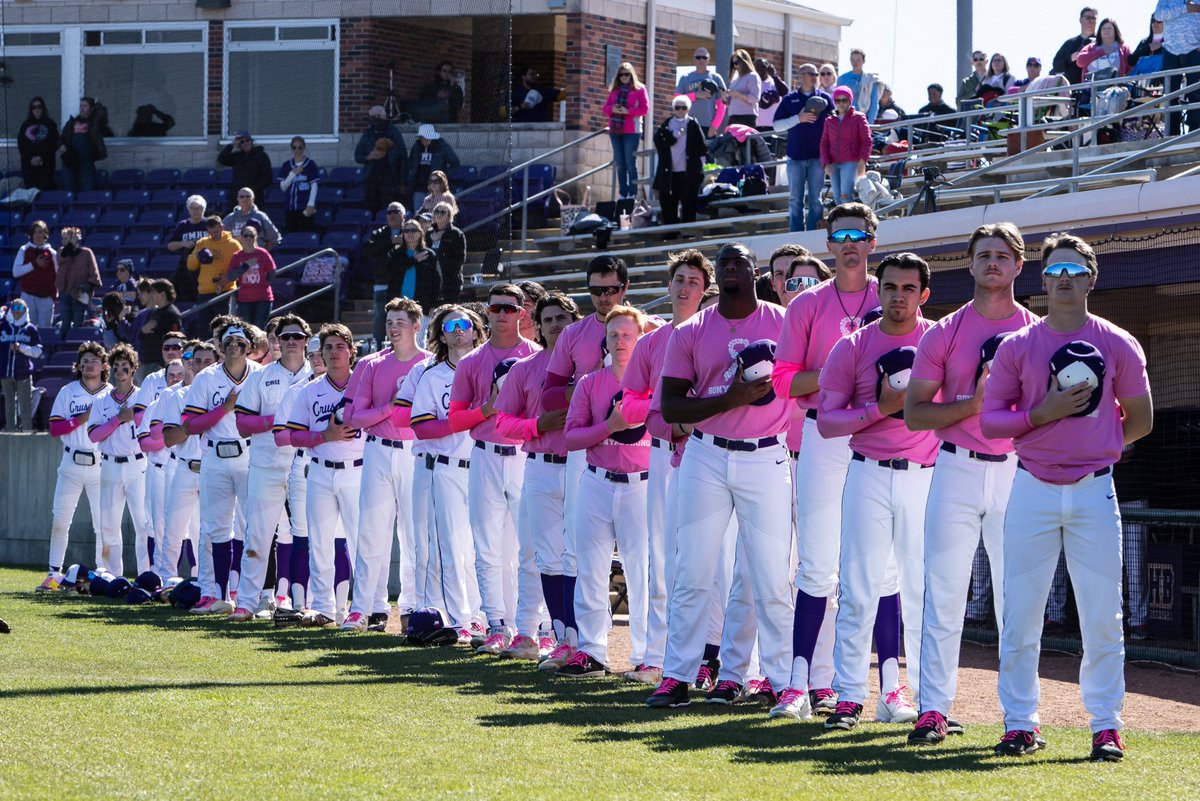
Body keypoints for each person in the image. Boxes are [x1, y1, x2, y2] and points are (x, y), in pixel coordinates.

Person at [981, 233, 1153, 762]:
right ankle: (1019, 724)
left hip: (1094, 490)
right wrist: (1044, 414)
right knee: (1021, 616)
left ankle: (1106, 726)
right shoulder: (1016, 346)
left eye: (1074, 271)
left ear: (1090, 279)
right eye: (1055, 270)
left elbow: (1142, 420)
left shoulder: (1118, 342)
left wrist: (1097, 445)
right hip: (1030, 488)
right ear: (1042, 279)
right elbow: (992, 423)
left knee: (1102, 617)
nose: (1063, 279)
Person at [902, 222, 1038, 746]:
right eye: (984, 255)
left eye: (1003, 255)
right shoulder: (943, 331)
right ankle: (933, 710)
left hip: (1017, 471)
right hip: (955, 467)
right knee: (943, 594)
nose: (993, 263)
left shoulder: (1038, 332)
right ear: (970, 263)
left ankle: (1021, 720)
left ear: (1019, 264)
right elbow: (915, 414)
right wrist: (975, 405)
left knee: (1017, 600)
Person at [644, 242, 793, 709]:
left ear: (755, 271)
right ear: (716, 276)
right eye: (724, 263)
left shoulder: (784, 322)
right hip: (705, 455)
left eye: (739, 262)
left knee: (770, 576)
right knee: (693, 571)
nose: (731, 268)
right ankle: (677, 675)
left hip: (766, 454)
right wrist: (731, 398)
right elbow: (671, 407)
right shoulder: (691, 329)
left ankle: (779, 680)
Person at [770, 203, 883, 721]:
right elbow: (784, 381)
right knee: (816, 565)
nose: (850, 244)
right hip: (822, 432)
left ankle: (878, 688)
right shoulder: (807, 304)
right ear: (829, 244)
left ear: (873, 241)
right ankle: (802, 684)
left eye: (859, 235)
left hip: (883, 435)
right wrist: (842, 369)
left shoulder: (892, 291)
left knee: (880, 570)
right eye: (841, 236)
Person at [815, 253, 937, 732]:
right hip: (867, 473)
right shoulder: (852, 345)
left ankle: (930, 701)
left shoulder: (939, 340)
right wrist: (880, 408)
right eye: (890, 287)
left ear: (923, 294)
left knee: (924, 593)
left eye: (908, 288)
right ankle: (849, 696)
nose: (898, 296)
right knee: (859, 590)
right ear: (878, 290)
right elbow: (827, 423)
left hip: (926, 476)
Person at [619, 249, 712, 685]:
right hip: (663, 449)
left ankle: (710, 658)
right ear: (668, 285)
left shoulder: (714, 333)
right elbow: (629, 403)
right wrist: (671, 415)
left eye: (694, 281)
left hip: (714, 452)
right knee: (662, 553)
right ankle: (658, 655)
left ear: (705, 290)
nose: (684, 287)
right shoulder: (651, 342)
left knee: (712, 559)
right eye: (679, 279)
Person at [541, 256, 630, 655]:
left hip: (637, 446)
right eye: (596, 290)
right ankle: (579, 642)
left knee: (643, 554)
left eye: (611, 289)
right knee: (578, 548)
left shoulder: (642, 327)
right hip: (586, 446)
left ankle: (650, 654)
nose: (604, 297)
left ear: (624, 288)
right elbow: (548, 395)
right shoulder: (574, 334)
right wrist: (589, 387)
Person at [557, 304, 651, 678]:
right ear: (605, 341)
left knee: (642, 571)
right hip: (597, 481)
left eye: (628, 334)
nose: (621, 340)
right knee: (590, 569)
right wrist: (610, 426)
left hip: (642, 485)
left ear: (641, 338)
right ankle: (592, 651)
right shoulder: (590, 383)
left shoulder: (655, 381)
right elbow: (571, 437)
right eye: (614, 334)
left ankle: (647, 654)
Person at [448, 285, 541, 654]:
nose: (502, 314)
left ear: (522, 313)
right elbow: (455, 419)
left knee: (530, 547)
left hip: (524, 454)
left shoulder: (537, 356)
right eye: (496, 308)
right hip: (485, 454)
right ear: (486, 312)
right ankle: (496, 624)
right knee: (487, 548)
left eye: (509, 308)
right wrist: (488, 408)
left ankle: (535, 627)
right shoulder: (471, 361)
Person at [494, 292, 581, 662]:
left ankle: (587, 642)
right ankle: (561, 639)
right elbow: (502, 423)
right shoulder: (524, 368)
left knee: (580, 557)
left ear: (575, 322)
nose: (556, 325)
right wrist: (536, 425)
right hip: (541, 466)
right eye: (548, 320)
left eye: (562, 318)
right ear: (538, 327)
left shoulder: (591, 366)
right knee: (545, 557)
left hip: (583, 467)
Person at [341, 298, 429, 632]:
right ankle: (362, 608)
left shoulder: (429, 364)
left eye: (400, 322)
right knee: (371, 531)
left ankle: (412, 607)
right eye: (389, 322)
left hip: (414, 451)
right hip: (377, 449)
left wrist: (387, 410)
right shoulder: (371, 364)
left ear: (416, 326)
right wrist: (391, 407)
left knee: (414, 533)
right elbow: (353, 417)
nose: (393, 328)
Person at [409, 304, 487, 640]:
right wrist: (469, 418)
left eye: (463, 324)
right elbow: (422, 427)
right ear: (441, 336)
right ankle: (460, 620)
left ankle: (488, 617)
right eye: (450, 326)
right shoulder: (433, 375)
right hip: (448, 468)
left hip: (487, 466)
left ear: (475, 330)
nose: (457, 331)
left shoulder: (489, 369)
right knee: (452, 550)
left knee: (488, 549)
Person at [227, 314, 313, 621]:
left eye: (297, 336)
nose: (291, 342)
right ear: (276, 340)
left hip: (305, 466)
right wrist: (278, 421)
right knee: (258, 536)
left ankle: (305, 603)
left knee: (305, 536)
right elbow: (242, 424)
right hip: (266, 465)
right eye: (285, 336)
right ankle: (248, 602)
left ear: (306, 340)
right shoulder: (261, 376)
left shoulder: (317, 376)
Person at [283, 324, 362, 628]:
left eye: (340, 346)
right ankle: (324, 607)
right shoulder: (310, 390)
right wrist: (324, 435)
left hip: (358, 469)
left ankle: (363, 608)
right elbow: (293, 436)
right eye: (328, 347)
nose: (334, 352)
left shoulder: (364, 384)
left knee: (361, 541)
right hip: (319, 469)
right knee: (320, 542)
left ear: (351, 351)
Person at [182, 320, 262, 614]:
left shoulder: (261, 375)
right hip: (215, 455)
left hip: (251, 455)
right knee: (215, 529)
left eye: (240, 342)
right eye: (228, 342)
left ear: (250, 346)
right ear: (220, 346)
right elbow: (190, 425)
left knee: (255, 527)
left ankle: (256, 596)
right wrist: (225, 408)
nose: (234, 346)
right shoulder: (206, 377)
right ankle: (216, 594)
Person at [40, 343, 109, 590]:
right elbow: (55, 428)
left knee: (102, 523)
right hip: (71, 462)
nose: (89, 365)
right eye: (85, 361)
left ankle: (102, 574)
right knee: (61, 520)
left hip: (101, 463)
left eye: (94, 360)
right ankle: (54, 573)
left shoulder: (111, 393)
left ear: (104, 365)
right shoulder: (68, 391)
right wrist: (81, 419)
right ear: (78, 366)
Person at [87, 343, 149, 575]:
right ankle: (113, 576)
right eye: (116, 366)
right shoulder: (102, 400)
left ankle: (146, 576)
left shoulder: (142, 396)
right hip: (110, 464)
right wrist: (118, 419)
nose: (120, 370)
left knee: (143, 524)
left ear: (133, 369)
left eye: (125, 366)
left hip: (138, 463)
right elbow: (93, 435)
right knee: (109, 524)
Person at [158, 340, 216, 582]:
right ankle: (167, 580)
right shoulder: (179, 395)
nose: (201, 365)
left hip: (214, 468)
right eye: (197, 361)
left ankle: (208, 584)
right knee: (173, 529)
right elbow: (169, 438)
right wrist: (195, 423)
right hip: (185, 467)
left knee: (210, 532)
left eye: (208, 361)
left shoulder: (223, 396)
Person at [775, 64, 834, 232]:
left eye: (816, 74)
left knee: (816, 199)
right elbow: (776, 126)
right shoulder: (789, 99)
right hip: (795, 157)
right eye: (811, 74)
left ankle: (814, 234)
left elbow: (835, 122)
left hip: (818, 157)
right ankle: (796, 235)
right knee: (795, 199)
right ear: (800, 76)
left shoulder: (825, 98)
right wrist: (798, 118)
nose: (815, 77)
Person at [652, 95, 707, 228]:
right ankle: (671, 233)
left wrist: (702, 166)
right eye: (677, 107)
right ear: (673, 109)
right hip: (669, 174)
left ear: (688, 109)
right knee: (668, 204)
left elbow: (701, 146)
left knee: (689, 203)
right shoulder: (667, 124)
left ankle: (688, 233)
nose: (681, 110)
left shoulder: (693, 124)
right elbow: (658, 141)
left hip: (688, 173)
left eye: (684, 107)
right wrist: (674, 135)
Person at [188, 216, 242, 335]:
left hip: (224, 292)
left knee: (224, 327)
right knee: (204, 330)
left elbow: (240, 269)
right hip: (204, 292)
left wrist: (226, 280)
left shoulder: (233, 245)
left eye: (216, 232)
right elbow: (191, 266)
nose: (214, 235)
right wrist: (197, 256)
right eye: (211, 232)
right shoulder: (203, 243)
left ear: (222, 227)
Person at [603, 63, 650, 201]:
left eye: (626, 74)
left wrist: (628, 111)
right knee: (620, 164)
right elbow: (605, 108)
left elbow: (645, 109)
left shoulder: (640, 89)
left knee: (630, 163)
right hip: (615, 130)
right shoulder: (614, 90)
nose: (624, 77)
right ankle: (623, 194)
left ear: (631, 75)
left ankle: (632, 194)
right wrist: (613, 109)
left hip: (632, 131)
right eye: (621, 75)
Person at [364, 202, 408, 349]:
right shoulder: (379, 233)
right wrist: (390, 241)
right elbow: (368, 249)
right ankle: (379, 346)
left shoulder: (410, 231)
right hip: (383, 282)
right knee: (380, 315)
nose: (392, 215)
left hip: (404, 282)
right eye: (389, 212)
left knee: (404, 315)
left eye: (396, 212)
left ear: (403, 215)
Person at [1155, 0, 1200, 135]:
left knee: (1196, 95)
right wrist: (1185, 8)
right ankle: (1172, 136)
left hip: (1195, 51)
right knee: (1170, 96)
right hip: (1170, 52)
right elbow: (1159, 15)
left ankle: (1195, 135)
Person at [820, 87, 871, 206]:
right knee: (838, 199)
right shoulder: (829, 120)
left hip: (851, 162)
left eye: (844, 100)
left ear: (850, 101)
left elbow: (866, 141)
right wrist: (826, 163)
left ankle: (850, 218)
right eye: (838, 100)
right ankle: (845, 219)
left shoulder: (859, 117)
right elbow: (824, 143)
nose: (841, 103)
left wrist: (862, 161)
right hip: (833, 164)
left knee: (846, 196)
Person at [1, 298, 43, 432]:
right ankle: (10, 431)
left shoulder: (31, 329)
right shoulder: (3, 326)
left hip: (23, 372)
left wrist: (22, 348)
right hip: (5, 372)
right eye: (15, 308)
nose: (17, 311)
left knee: (25, 405)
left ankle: (26, 431)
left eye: (21, 309)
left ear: (26, 311)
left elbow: (38, 351)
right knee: (9, 404)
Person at [386, 217, 441, 318]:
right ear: (403, 234)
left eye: (413, 230)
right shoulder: (395, 253)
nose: (410, 233)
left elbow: (436, 282)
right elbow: (392, 269)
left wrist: (434, 305)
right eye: (406, 231)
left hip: (422, 306)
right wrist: (414, 260)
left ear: (420, 233)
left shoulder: (429, 255)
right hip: (399, 304)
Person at [55, 226, 102, 339]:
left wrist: (84, 287)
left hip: (80, 295)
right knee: (65, 322)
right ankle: (62, 343)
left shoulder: (87, 253)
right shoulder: (61, 251)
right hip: (65, 293)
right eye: (63, 239)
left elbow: (94, 275)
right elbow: (63, 257)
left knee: (78, 322)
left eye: (66, 239)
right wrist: (71, 244)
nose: (63, 242)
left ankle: (77, 343)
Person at [227, 226, 276, 329]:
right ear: (241, 237)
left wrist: (264, 284)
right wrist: (245, 266)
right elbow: (231, 276)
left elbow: (272, 272)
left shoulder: (262, 253)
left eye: (251, 236)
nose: (248, 238)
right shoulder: (237, 256)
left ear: (256, 237)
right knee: (247, 329)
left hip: (263, 298)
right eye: (246, 235)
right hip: (244, 299)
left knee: (259, 328)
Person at [58, 97, 109, 193]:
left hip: (86, 161)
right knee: (69, 189)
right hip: (71, 160)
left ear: (91, 109)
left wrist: (97, 105)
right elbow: (61, 138)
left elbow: (102, 115)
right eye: (80, 106)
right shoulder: (72, 122)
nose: (81, 108)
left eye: (85, 106)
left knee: (87, 189)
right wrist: (61, 145)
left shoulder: (94, 122)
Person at [13, 220, 58, 328]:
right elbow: (16, 272)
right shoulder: (24, 250)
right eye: (35, 232)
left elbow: (59, 274)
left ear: (45, 234)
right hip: (28, 296)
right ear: (31, 234)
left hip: (46, 298)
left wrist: (54, 295)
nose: (38, 235)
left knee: (45, 329)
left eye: (40, 232)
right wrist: (34, 264)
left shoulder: (52, 253)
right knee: (27, 328)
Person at [405, 124, 460, 211]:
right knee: (418, 211)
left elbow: (455, 163)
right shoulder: (416, 147)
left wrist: (442, 177)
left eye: (427, 138)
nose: (425, 141)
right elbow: (410, 163)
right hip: (418, 186)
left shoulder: (442, 147)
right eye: (423, 139)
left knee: (434, 211)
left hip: (435, 187)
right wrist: (410, 177)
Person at [167, 196, 210, 303]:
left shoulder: (209, 224)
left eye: (198, 208)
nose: (195, 211)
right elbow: (170, 246)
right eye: (192, 208)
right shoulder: (183, 225)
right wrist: (183, 243)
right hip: (186, 265)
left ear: (203, 209)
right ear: (188, 210)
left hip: (206, 265)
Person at [137, 280, 183, 379]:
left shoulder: (171, 313)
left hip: (159, 364)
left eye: (154, 292)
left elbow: (174, 339)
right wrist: (143, 331)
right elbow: (141, 334)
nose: (151, 295)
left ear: (162, 294)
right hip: (147, 362)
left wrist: (163, 363)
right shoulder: (154, 312)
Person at [676, 48, 728, 135]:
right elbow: (677, 100)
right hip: (687, 125)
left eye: (704, 57)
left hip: (708, 126)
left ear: (709, 60)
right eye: (698, 57)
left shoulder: (716, 78)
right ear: (694, 60)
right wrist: (696, 95)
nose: (701, 60)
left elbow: (722, 105)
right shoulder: (685, 78)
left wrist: (714, 126)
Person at [355, 106, 407, 189]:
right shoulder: (368, 134)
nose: (376, 123)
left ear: (384, 119)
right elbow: (358, 155)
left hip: (390, 177)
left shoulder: (394, 133)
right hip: (371, 177)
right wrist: (368, 157)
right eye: (373, 119)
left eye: (378, 119)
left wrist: (402, 181)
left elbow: (403, 156)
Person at [217, 131, 273, 209]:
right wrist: (232, 144)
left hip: (255, 196)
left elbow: (268, 176)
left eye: (247, 140)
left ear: (251, 141)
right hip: (238, 195)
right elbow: (221, 159)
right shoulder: (237, 157)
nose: (245, 143)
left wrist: (256, 188)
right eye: (242, 142)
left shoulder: (261, 156)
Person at [278, 137, 320, 233]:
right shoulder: (286, 165)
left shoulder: (310, 164)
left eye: (300, 147)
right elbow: (283, 187)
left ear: (304, 148)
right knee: (291, 233)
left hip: (305, 206)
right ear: (291, 148)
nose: (297, 150)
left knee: (306, 232)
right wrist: (293, 173)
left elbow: (314, 186)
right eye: (294, 147)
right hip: (290, 207)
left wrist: (311, 204)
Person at [17, 96, 58, 191]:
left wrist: (41, 157)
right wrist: (30, 158)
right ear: (31, 110)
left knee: (45, 191)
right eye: (34, 107)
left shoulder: (50, 124)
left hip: (46, 165)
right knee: (31, 192)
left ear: (43, 108)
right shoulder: (25, 125)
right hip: (29, 166)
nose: (37, 109)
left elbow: (53, 143)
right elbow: (21, 145)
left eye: (39, 107)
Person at [428, 201, 465, 307]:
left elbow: (459, 260)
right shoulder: (428, 234)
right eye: (436, 211)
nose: (439, 214)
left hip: (450, 281)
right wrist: (431, 241)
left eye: (443, 212)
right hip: (430, 281)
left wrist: (442, 240)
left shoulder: (456, 234)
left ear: (449, 216)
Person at [1053, 7, 1100, 86]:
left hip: (1096, 88)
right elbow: (1056, 66)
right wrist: (1070, 58)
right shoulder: (1070, 43)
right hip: (1072, 89)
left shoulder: (1102, 42)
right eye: (1088, 18)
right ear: (1080, 20)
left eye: (1093, 18)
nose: (1091, 21)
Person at [838, 49, 880, 123]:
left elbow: (874, 103)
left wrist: (870, 124)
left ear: (863, 61)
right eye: (853, 60)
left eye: (858, 60)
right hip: (846, 119)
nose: (855, 63)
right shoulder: (842, 79)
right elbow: (837, 101)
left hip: (863, 119)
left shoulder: (871, 80)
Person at [725, 49, 763, 128]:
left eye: (736, 63)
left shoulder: (753, 76)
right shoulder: (735, 79)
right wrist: (724, 97)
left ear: (744, 62)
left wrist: (738, 94)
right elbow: (729, 102)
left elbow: (755, 98)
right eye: (733, 64)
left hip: (747, 117)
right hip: (733, 116)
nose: (735, 66)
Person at [363, 136, 398, 217]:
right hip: (372, 186)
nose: (377, 152)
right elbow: (358, 156)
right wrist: (368, 158)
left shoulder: (391, 159)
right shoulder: (371, 159)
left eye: (380, 149)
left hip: (386, 187)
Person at [754, 57, 789, 131]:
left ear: (768, 68)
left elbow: (785, 92)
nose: (760, 69)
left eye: (763, 66)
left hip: (773, 127)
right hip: (755, 127)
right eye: (757, 67)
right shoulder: (752, 83)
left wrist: (774, 76)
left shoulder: (774, 82)